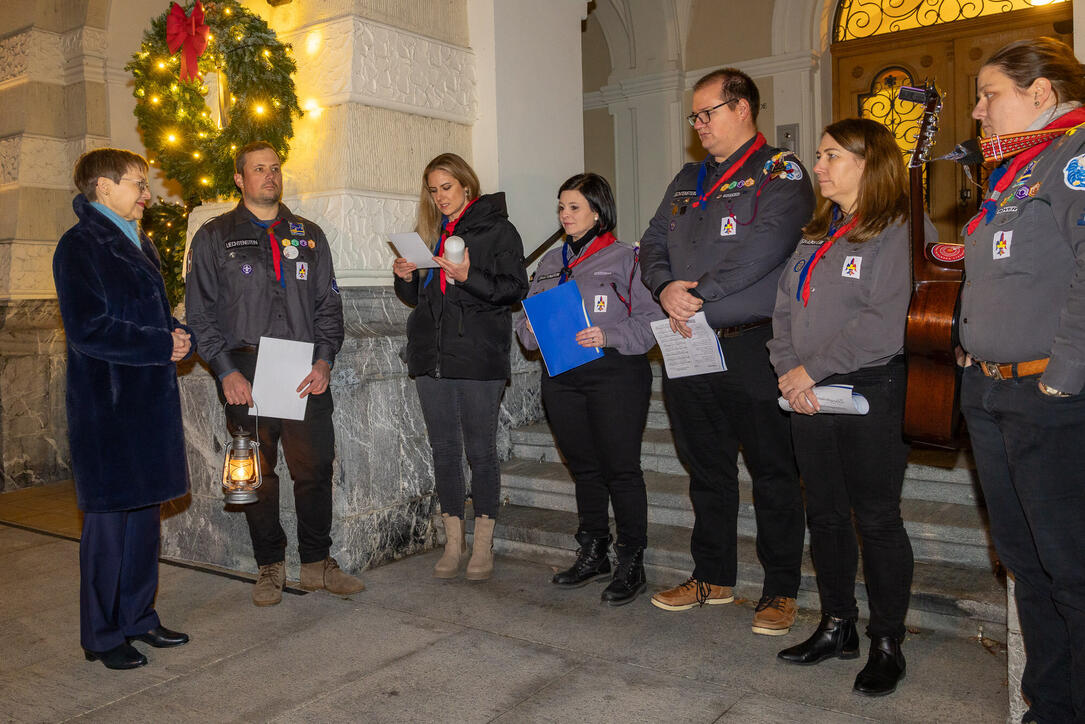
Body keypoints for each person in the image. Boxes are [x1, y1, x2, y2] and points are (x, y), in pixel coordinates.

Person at [639, 68, 813, 635]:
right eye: (694, 115)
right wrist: (665, 287)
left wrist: (697, 294)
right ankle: (712, 575)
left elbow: (767, 247)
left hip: (752, 346)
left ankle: (780, 589)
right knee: (705, 467)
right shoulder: (689, 178)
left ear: (742, 109)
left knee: (772, 471)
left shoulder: (779, 171)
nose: (698, 124)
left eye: (706, 112)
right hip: (689, 342)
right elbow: (653, 241)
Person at [768, 118, 924, 696]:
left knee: (876, 518)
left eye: (833, 155)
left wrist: (810, 369)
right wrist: (789, 370)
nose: (820, 165)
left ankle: (887, 641)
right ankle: (837, 625)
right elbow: (783, 307)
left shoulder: (899, 231)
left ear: (870, 162)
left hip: (870, 390)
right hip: (806, 391)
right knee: (826, 515)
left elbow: (884, 325)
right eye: (819, 155)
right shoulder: (816, 232)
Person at [958, 37, 1085, 722]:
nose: (977, 111)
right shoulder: (1016, 169)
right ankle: (1048, 706)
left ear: (1040, 94)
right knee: (1025, 567)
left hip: (1048, 397)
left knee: (1069, 571)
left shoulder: (1074, 159)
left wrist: (1061, 379)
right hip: (991, 393)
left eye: (989, 94)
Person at [185, 141, 365, 606]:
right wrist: (224, 370)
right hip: (244, 365)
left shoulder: (308, 235)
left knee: (314, 467)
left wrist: (324, 360)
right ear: (240, 180)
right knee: (258, 473)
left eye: (275, 168)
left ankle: (316, 563)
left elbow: (329, 306)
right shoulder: (214, 236)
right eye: (258, 169)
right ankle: (269, 565)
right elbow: (200, 314)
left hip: (303, 365)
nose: (269, 176)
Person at [54, 148, 194, 669]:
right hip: (107, 409)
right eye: (137, 183)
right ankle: (102, 634)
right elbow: (89, 329)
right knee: (108, 528)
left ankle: (139, 618)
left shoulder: (140, 241)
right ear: (103, 188)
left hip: (147, 405)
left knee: (143, 523)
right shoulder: (79, 246)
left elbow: (152, 316)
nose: (147, 193)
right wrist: (161, 344)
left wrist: (180, 336)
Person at [515, 173, 664, 605]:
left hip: (614, 373)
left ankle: (631, 560)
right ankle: (593, 549)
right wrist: (532, 331)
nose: (565, 215)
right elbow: (526, 325)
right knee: (583, 467)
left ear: (598, 212)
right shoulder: (548, 263)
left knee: (621, 468)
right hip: (562, 376)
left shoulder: (626, 257)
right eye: (561, 207)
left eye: (575, 207)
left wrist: (608, 336)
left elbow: (650, 322)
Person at [392, 153, 528, 581]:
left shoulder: (499, 229)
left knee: (480, 451)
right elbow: (420, 300)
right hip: (431, 357)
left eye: (446, 187)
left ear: (467, 185)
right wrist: (406, 276)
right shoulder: (433, 233)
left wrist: (469, 274)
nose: (440, 197)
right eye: (433, 190)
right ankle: (454, 542)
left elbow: (514, 288)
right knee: (445, 451)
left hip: (477, 357)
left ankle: (482, 545)